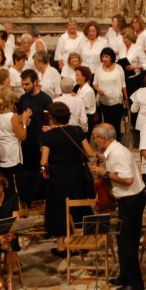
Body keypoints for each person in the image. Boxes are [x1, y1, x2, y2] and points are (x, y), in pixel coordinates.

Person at [92, 123, 146, 290]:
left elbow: (128, 179)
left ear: (102, 138)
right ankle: (124, 276)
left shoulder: (117, 153)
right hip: (127, 200)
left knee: (129, 242)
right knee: (122, 240)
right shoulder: (114, 151)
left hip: (132, 200)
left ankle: (135, 282)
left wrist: (105, 174)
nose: (94, 141)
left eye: (94, 138)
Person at [40, 102, 96, 245]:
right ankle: (80, 242)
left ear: (52, 118)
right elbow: (90, 152)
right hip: (76, 174)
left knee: (58, 207)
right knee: (78, 204)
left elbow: (43, 161)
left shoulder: (48, 135)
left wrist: (46, 167)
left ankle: (60, 245)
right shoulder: (77, 130)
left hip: (58, 177)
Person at [16, 69, 53, 204]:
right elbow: (18, 115)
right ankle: (28, 196)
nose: (24, 87)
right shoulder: (23, 98)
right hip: (26, 141)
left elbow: (51, 120)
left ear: (35, 82)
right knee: (27, 170)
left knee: (41, 169)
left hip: (40, 141)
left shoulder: (45, 99)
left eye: (27, 84)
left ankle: (41, 196)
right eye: (23, 84)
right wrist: (23, 120)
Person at [0, 87, 29, 193]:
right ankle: (11, 200)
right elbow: (22, 136)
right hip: (10, 152)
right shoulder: (12, 116)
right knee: (10, 181)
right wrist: (24, 122)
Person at [94, 47, 128, 137]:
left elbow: (123, 83)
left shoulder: (119, 68)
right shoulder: (99, 68)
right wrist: (98, 90)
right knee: (106, 123)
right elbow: (94, 83)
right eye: (103, 57)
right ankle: (108, 139)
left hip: (116, 101)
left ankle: (116, 139)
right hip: (103, 101)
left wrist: (126, 97)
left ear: (111, 57)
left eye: (106, 57)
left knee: (116, 123)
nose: (104, 59)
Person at [75, 66, 98, 136]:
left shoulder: (88, 91)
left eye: (78, 75)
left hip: (87, 118)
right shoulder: (80, 88)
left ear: (84, 77)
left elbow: (85, 108)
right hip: (81, 116)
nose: (76, 77)